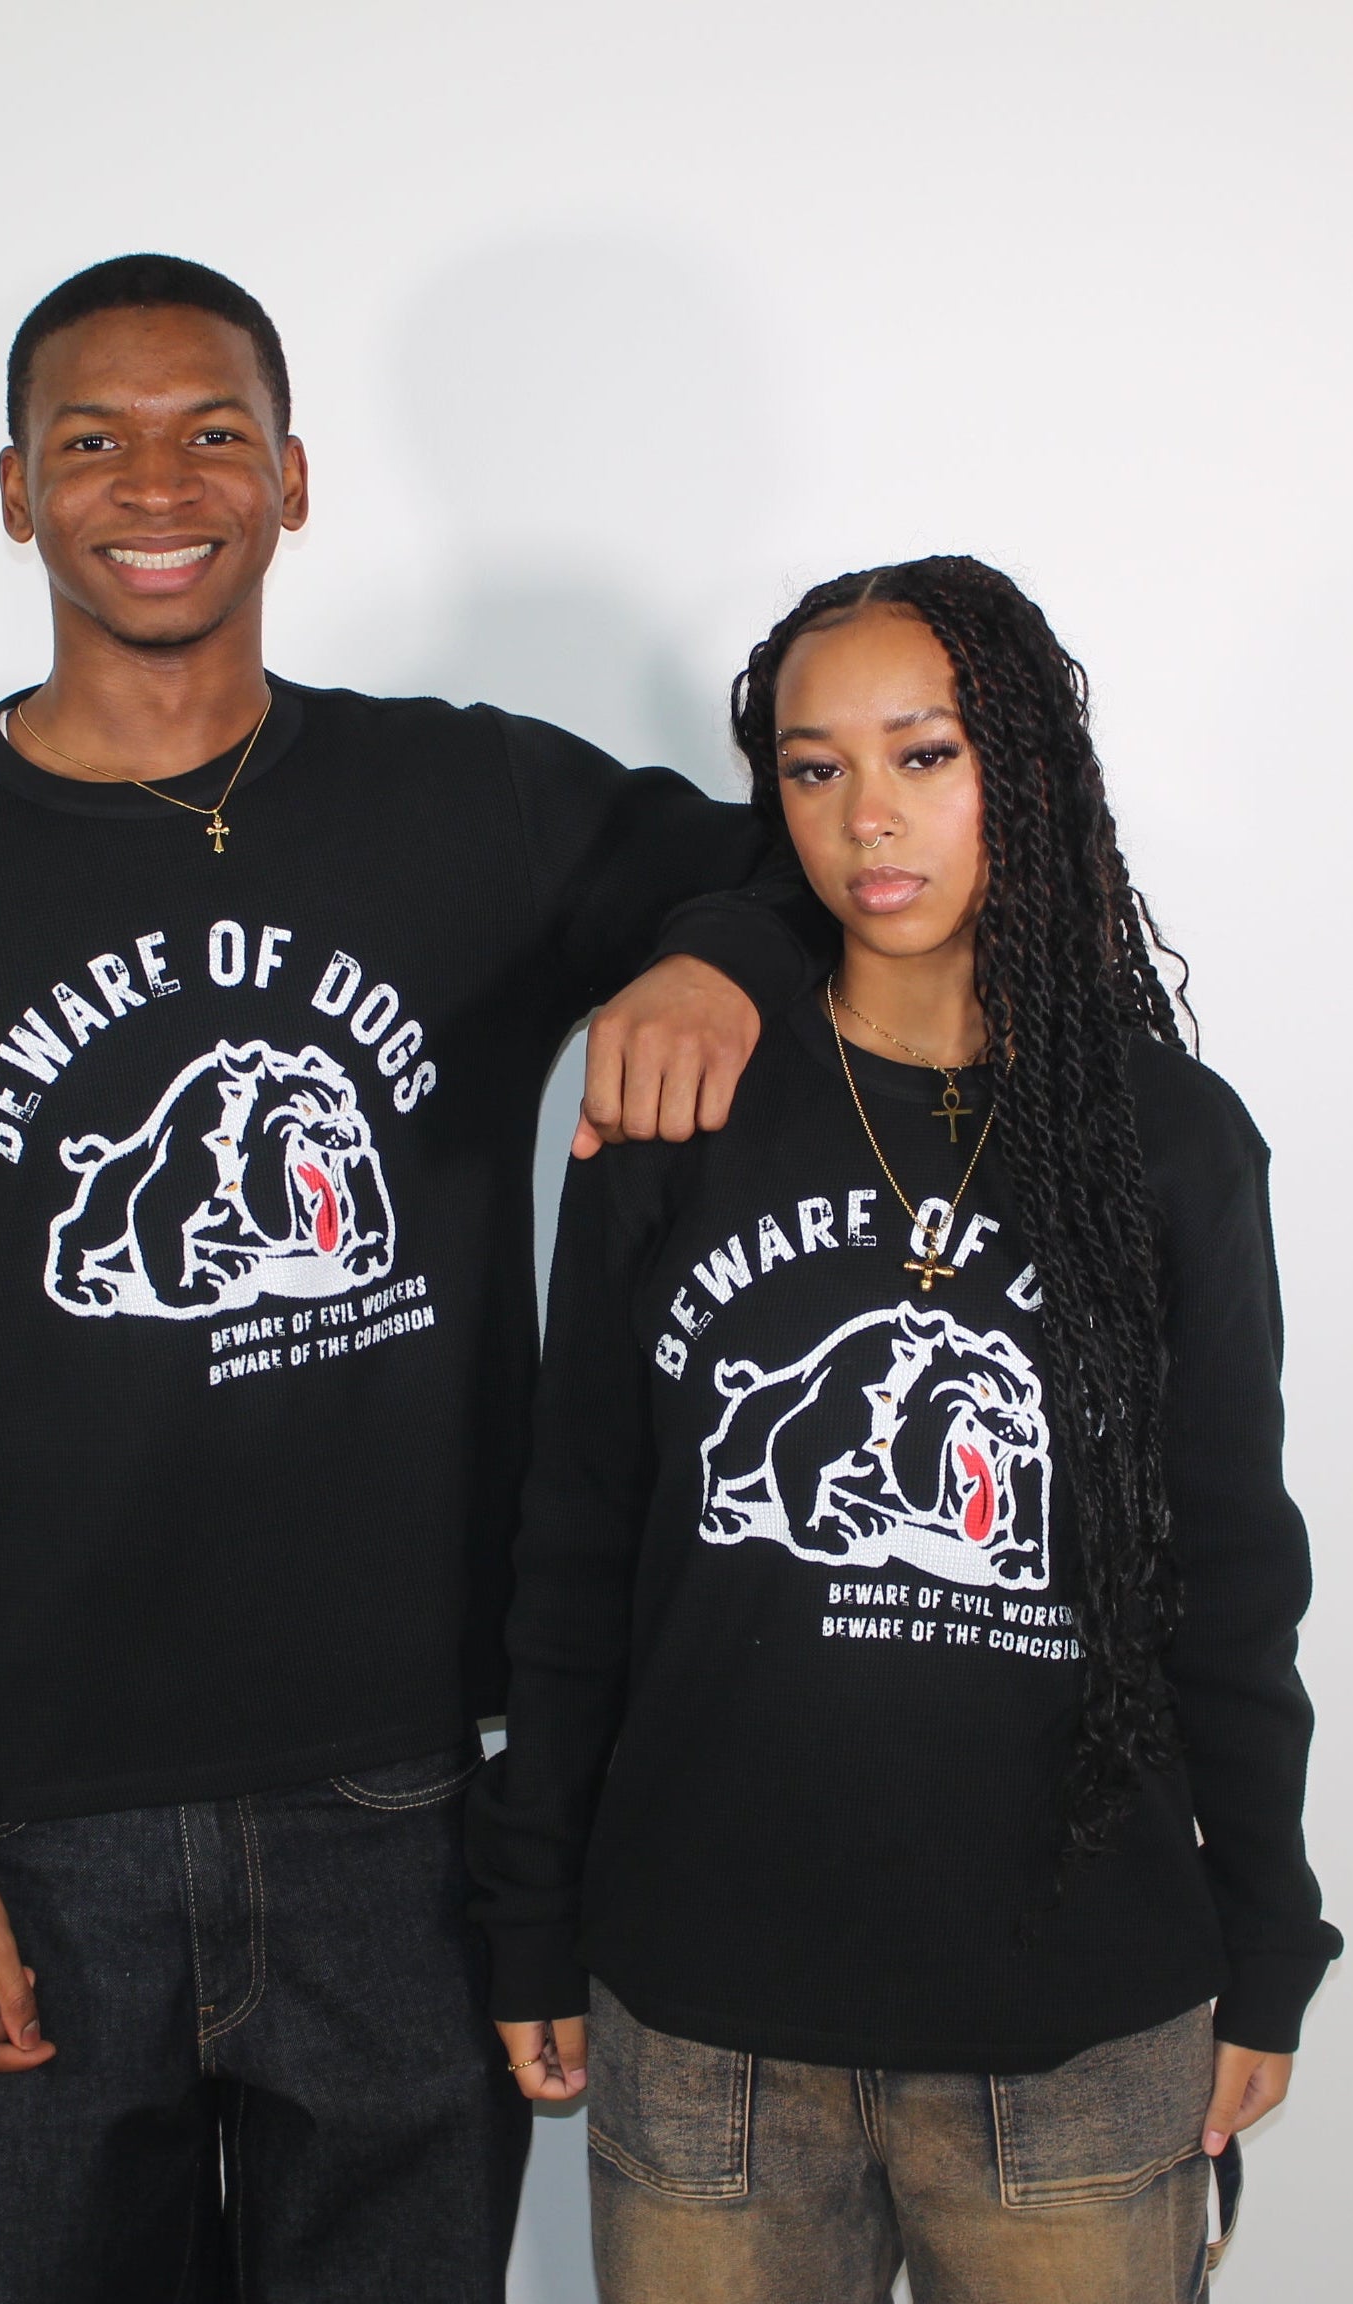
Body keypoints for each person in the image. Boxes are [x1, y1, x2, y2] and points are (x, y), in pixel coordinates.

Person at [0, 253, 824, 2304]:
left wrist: (705, 961)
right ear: (15, 492)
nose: (157, 484)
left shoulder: (470, 800)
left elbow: (789, 864)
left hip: (406, 1813)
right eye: (94, 441)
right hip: (36, 1829)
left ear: (293, 480)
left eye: (211, 432)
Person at [467, 555, 1340, 2304]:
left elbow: (1230, 1575)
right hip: (706, 2029)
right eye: (814, 768)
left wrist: (1267, 1933)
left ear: (1022, 770)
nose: (868, 815)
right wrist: (529, 1913)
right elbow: (575, 1545)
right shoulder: (676, 1100)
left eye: (923, 755)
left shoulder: (1165, 1140)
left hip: (1071, 2032)